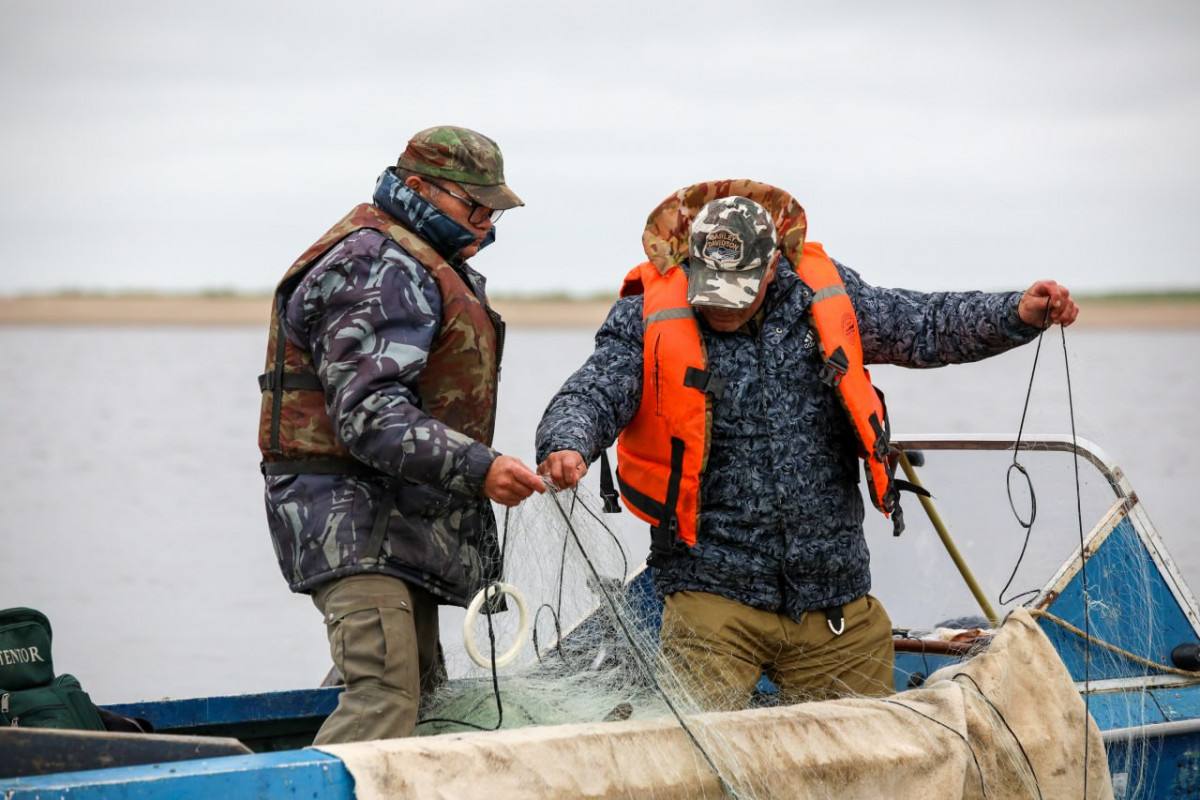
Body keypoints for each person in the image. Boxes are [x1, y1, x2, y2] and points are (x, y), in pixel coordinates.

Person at [535, 180, 1078, 710]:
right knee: (691, 769)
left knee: (869, 765)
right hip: (710, 596)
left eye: (739, 290)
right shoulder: (648, 314)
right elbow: (593, 390)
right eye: (711, 289)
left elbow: (923, 324)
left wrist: (1016, 313)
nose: (721, 306)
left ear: (773, 266)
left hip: (834, 597)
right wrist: (568, 442)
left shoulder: (825, 296)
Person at [258, 125, 544, 744]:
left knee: (421, 689)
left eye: (495, 213)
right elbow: (369, 415)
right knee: (386, 696)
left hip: (394, 523)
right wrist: (481, 467)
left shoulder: (415, 258)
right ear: (417, 188)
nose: (486, 226)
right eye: (475, 208)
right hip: (348, 519)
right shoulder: (375, 262)